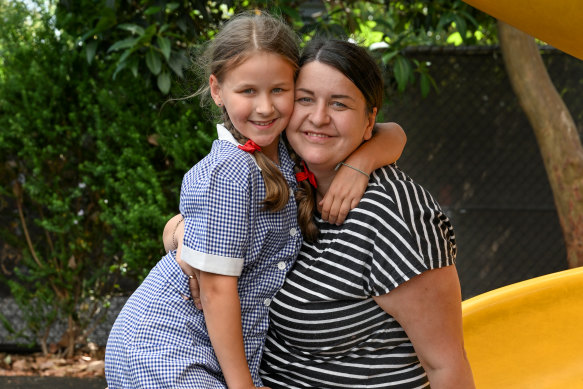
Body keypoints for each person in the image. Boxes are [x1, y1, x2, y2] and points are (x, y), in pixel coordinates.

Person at [105, 12, 406, 389]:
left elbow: (392, 132)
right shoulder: (230, 170)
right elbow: (216, 290)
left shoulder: (284, 149)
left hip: (203, 348)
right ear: (217, 90)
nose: (265, 107)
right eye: (248, 91)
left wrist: (360, 164)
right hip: (165, 346)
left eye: (279, 90)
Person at [167, 38, 475, 388]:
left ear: (368, 119)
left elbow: (447, 367)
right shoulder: (284, 169)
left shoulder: (395, 216)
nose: (318, 117)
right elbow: (198, 219)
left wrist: (361, 165)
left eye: (340, 104)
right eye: (305, 99)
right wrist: (183, 239)